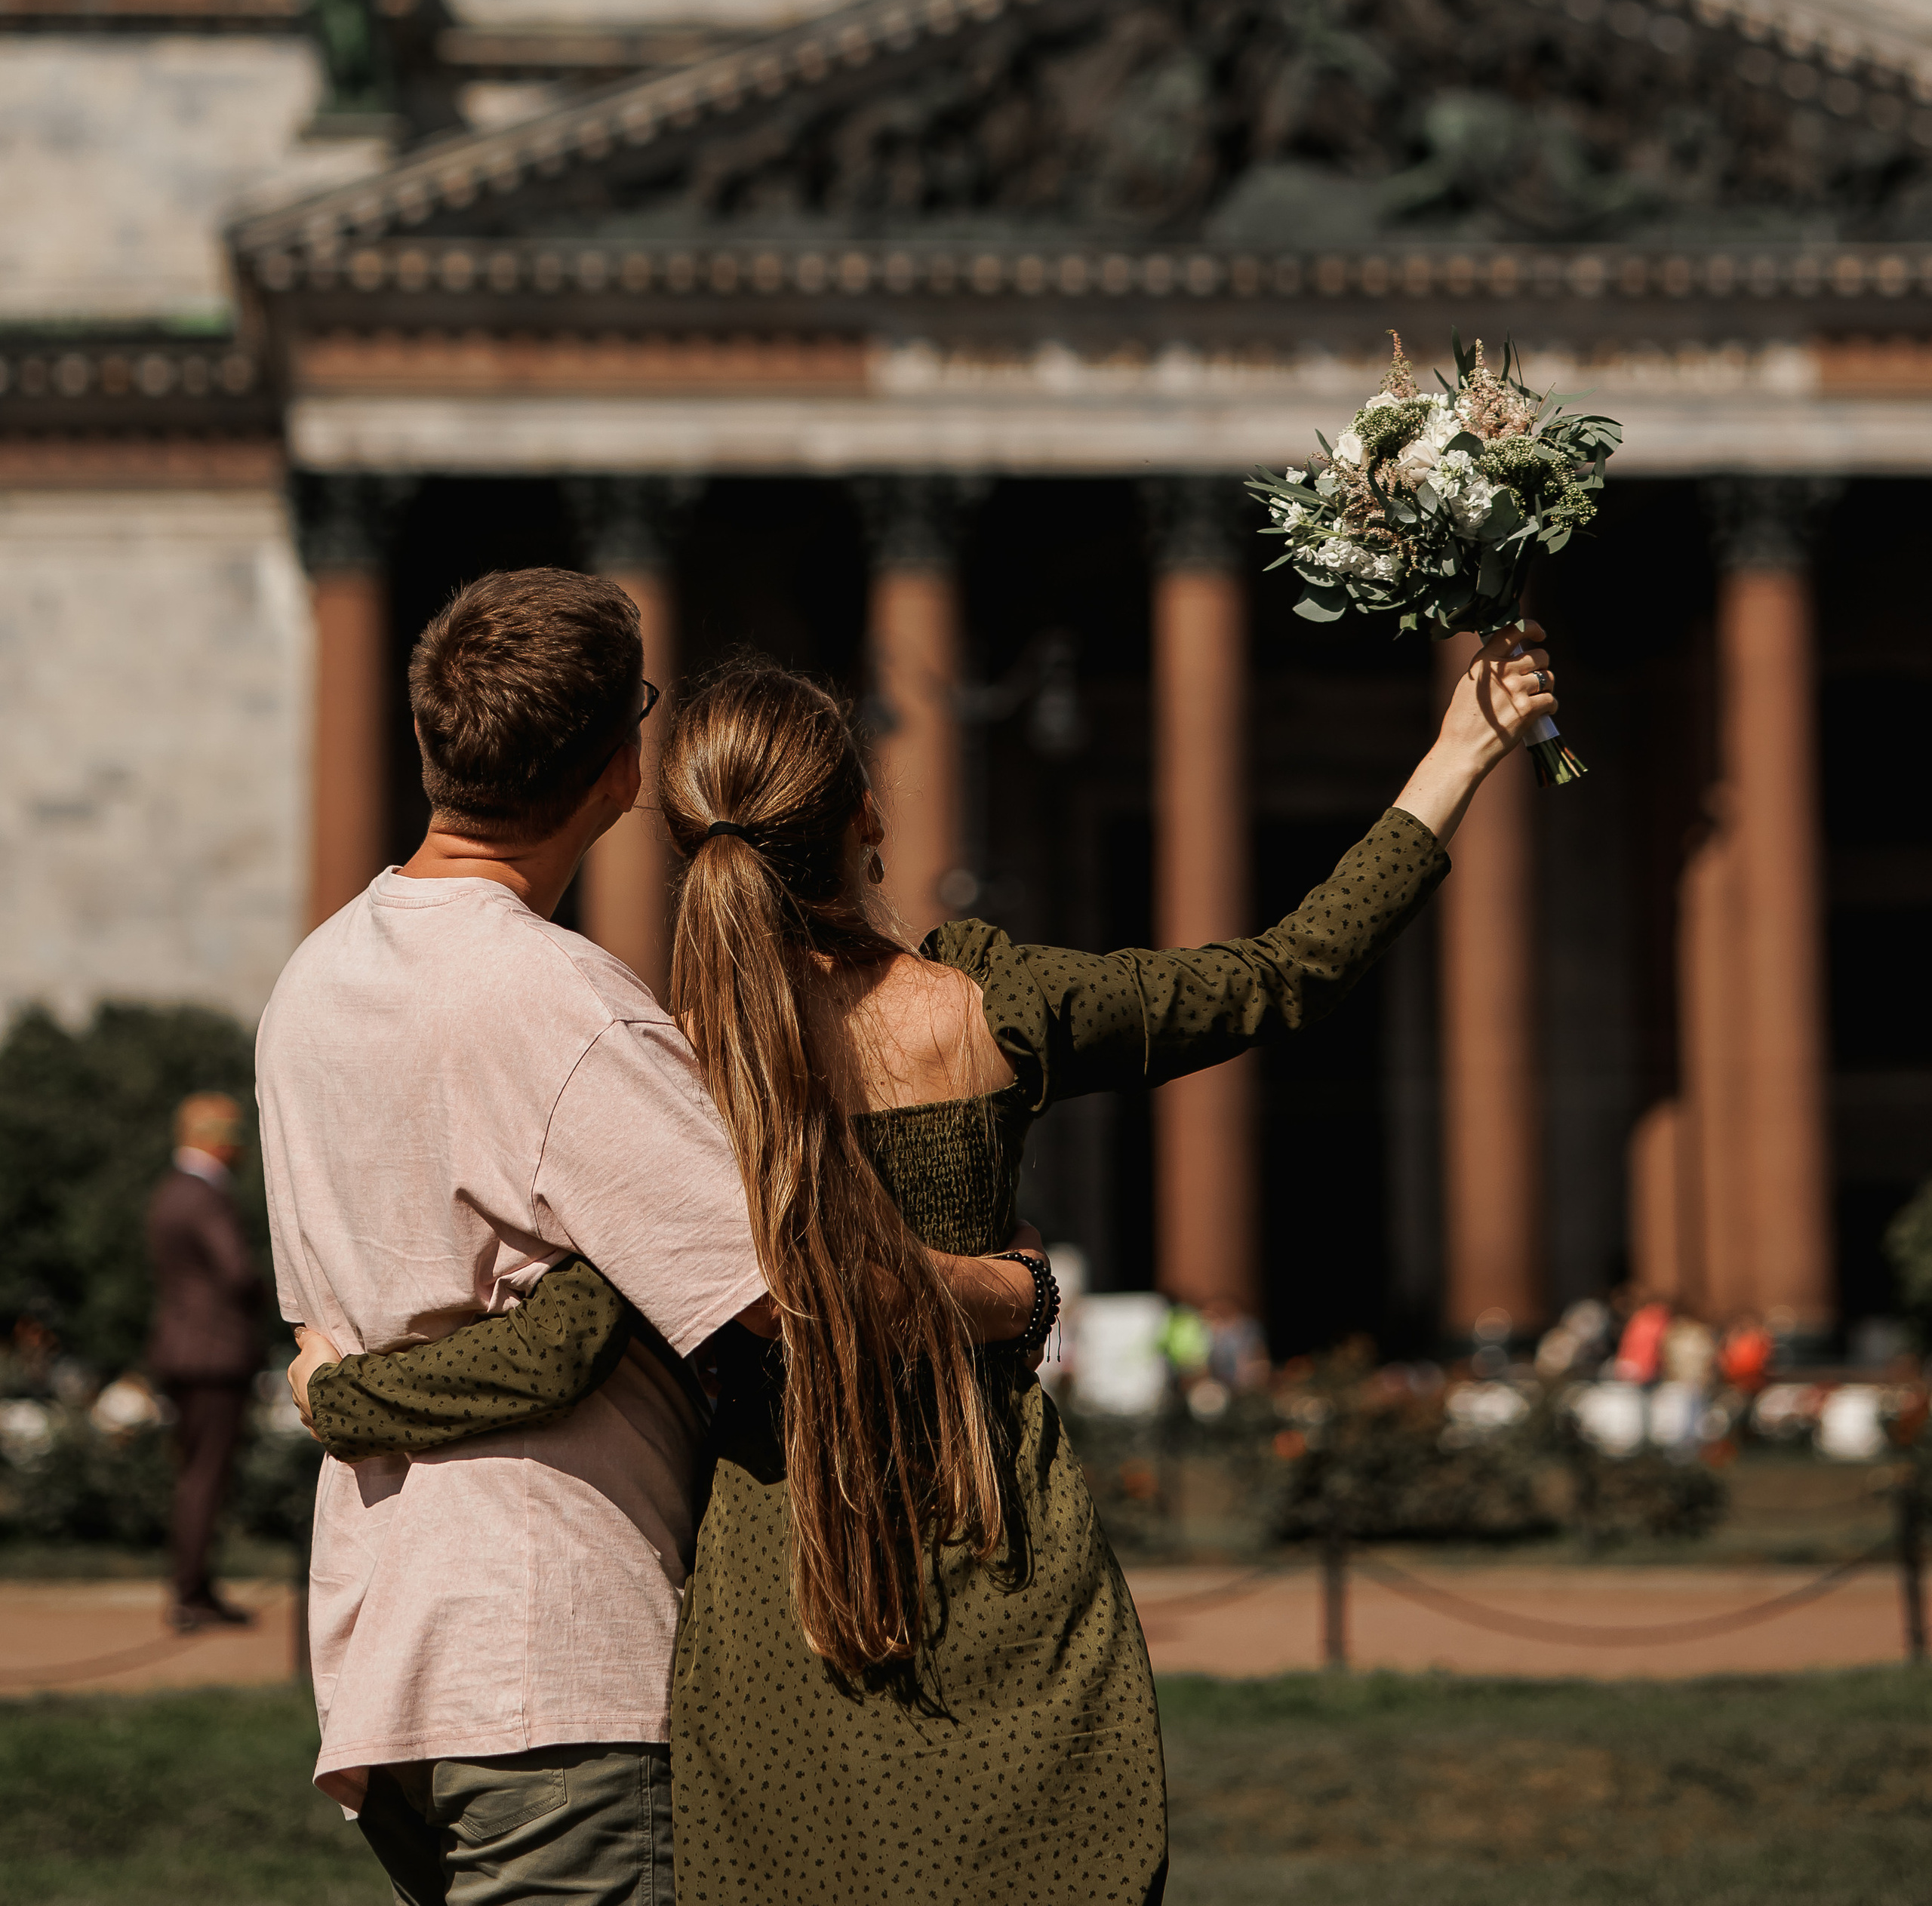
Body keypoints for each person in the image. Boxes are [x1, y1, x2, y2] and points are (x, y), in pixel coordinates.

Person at [292, 620, 1557, 1904]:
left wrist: (347, 1397)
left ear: (686, 844)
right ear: (869, 815)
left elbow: (566, 1342)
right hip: (993, 1538)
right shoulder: (986, 1004)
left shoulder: (675, 1064)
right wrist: (1457, 755)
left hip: (779, 1591)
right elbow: (1286, 973)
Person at [257, 567, 1035, 1906]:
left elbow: (348, 1318)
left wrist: (344, 1391)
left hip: (385, 1657)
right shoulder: (567, 1006)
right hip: (558, 1658)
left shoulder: (311, 984)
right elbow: (787, 1292)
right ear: (622, 766)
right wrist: (1004, 1292)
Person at [145, 1088, 265, 1632]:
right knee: (207, 1475)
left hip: (177, 1349)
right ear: (213, 1141)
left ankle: (195, 1586)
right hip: (216, 1354)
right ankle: (192, 1594)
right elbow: (236, 1271)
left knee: (193, 1471)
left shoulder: (169, 1192)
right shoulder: (208, 1196)